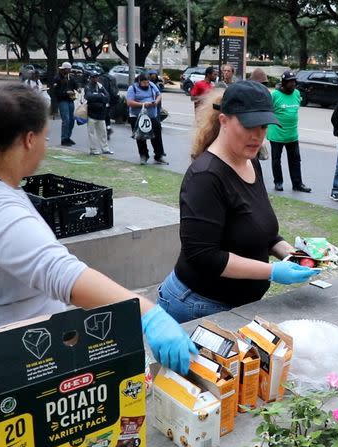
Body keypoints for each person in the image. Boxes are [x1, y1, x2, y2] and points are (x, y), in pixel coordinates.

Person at [0, 84, 195, 375]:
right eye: (45, 138)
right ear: (29, 140)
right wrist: (149, 315)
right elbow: (63, 275)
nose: (46, 147)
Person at [157, 81, 321, 323]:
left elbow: (260, 232)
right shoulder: (206, 176)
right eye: (248, 125)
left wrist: (294, 255)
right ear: (223, 120)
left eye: (263, 126)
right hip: (198, 306)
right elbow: (204, 256)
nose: (257, 135)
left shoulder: (249, 160)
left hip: (238, 304)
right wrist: (272, 272)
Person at [268, 70, 311, 193]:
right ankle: (278, 182)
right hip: (277, 134)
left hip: (292, 134)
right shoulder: (275, 95)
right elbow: (268, 111)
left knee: (295, 160)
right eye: (290, 82)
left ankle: (297, 184)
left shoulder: (297, 93)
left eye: (294, 82)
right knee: (276, 160)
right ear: (284, 83)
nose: (292, 84)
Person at [127, 73, 167, 165]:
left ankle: (159, 156)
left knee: (157, 135)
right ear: (139, 81)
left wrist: (156, 102)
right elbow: (129, 102)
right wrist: (143, 104)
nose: (146, 84)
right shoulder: (132, 88)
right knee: (140, 137)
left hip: (152, 115)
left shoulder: (152, 85)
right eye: (144, 83)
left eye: (147, 82)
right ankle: (143, 156)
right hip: (137, 117)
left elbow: (159, 95)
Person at [83, 71, 113, 156]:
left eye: (96, 77)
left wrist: (96, 96)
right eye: (93, 77)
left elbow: (107, 97)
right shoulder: (88, 86)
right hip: (91, 114)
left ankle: (105, 148)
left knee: (103, 132)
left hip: (101, 114)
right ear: (90, 78)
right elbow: (88, 96)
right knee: (91, 133)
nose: (95, 78)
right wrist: (100, 96)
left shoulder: (100, 86)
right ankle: (93, 149)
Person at [52, 62, 79, 146]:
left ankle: (68, 137)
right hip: (63, 101)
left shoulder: (70, 77)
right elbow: (56, 91)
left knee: (71, 120)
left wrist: (78, 88)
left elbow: (75, 84)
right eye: (68, 69)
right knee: (66, 120)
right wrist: (65, 93)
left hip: (71, 100)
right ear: (64, 69)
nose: (70, 71)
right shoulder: (57, 78)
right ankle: (64, 138)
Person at [97, 71, 119, 139]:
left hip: (104, 100)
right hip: (111, 100)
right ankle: (108, 128)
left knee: (102, 116)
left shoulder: (102, 78)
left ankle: (105, 130)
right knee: (107, 116)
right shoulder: (112, 78)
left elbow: (101, 90)